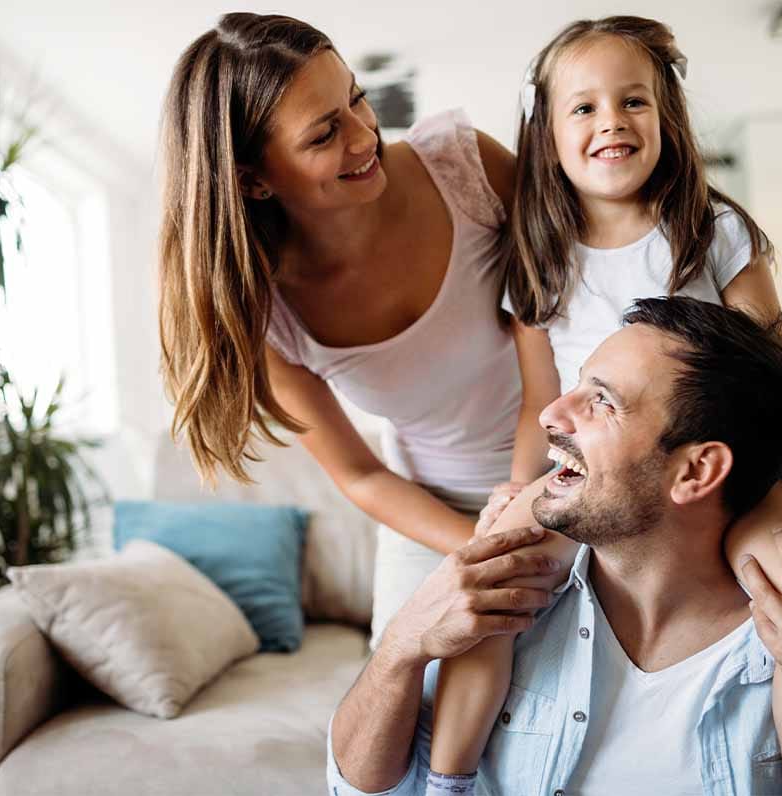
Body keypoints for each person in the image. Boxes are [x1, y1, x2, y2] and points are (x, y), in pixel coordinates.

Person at [429, 17, 782, 791]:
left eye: (634, 102)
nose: (612, 122)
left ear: (666, 116)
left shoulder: (712, 230)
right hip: (593, 472)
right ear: (546, 136)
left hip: (733, 472)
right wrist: (517, 487)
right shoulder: (539, 258)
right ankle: (447, 777)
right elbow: (542, 396)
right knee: (493, 573)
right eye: (585, 107)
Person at [328, 297, 782, 796]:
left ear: (696, 472)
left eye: (603, 402)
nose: (552, 415)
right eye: (575, 385)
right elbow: (359, 790)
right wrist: (401, 648)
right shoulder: (504, 601)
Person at [157, 12, 577, 646]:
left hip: (571, 467)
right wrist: (481, 548)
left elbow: (573, 310)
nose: (366, 137)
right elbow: (361, 475)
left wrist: (523, 509)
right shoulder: (267, 317)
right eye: (325, 134)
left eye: (358, 99)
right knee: (404, 699)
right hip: (433, 514)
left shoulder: (467, 167)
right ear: (253, 179)